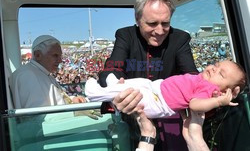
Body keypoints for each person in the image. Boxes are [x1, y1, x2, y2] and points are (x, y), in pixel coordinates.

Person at [98, 0, 198, 150]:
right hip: (132, 115)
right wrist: (117, 88)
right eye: (152, 24)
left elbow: (192, 75)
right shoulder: (126, 35)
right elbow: (111, 69)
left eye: (165, 23)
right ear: (137, 19)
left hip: (169, 118)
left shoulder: (179, 39)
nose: (159, 31)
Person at [86, 60, 246, 118]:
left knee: (133, 93)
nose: (213, 69)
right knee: (139, 82)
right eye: (216, 65)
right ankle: (114, 86)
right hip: (157, 88)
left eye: (221, 74)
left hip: (158, 103)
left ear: (226, 91)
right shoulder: (202, 78)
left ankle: (96, 94)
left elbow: (195, 105)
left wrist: (218, 101)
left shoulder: (209, 90)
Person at [9, 35, 86, 109]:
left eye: (60, 56)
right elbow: (37, 118)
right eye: (55, 55)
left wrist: (72, 100)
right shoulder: (27, 75)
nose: (60, 60)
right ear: (38, 55)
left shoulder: (43, 72)